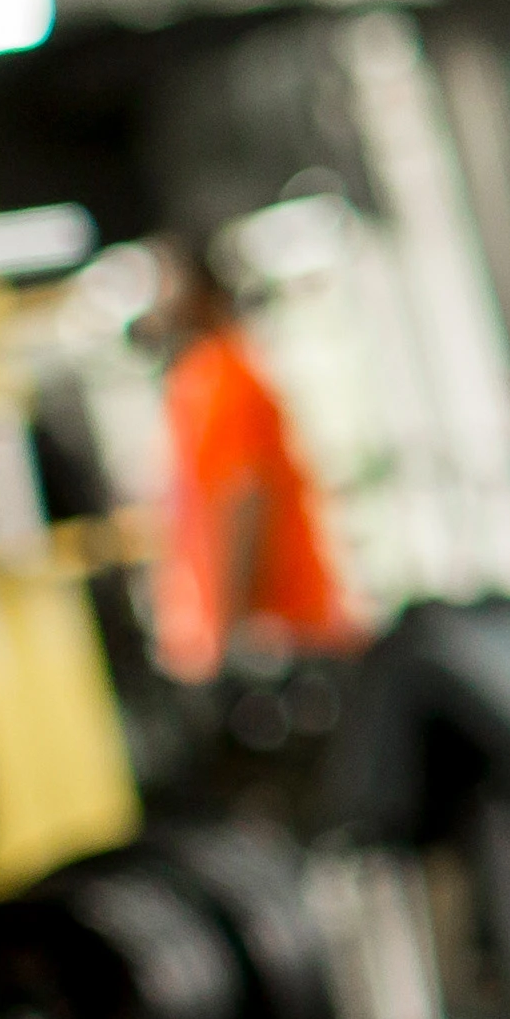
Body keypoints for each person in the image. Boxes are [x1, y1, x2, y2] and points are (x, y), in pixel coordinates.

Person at [138, 232, 360, 683]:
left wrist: (232, 632)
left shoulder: (223, 376)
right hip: (258, 636)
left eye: (165, 285)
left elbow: (245, 499)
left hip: (280, 633)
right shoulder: (197, 379)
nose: (156, 304)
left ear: (201, 292)